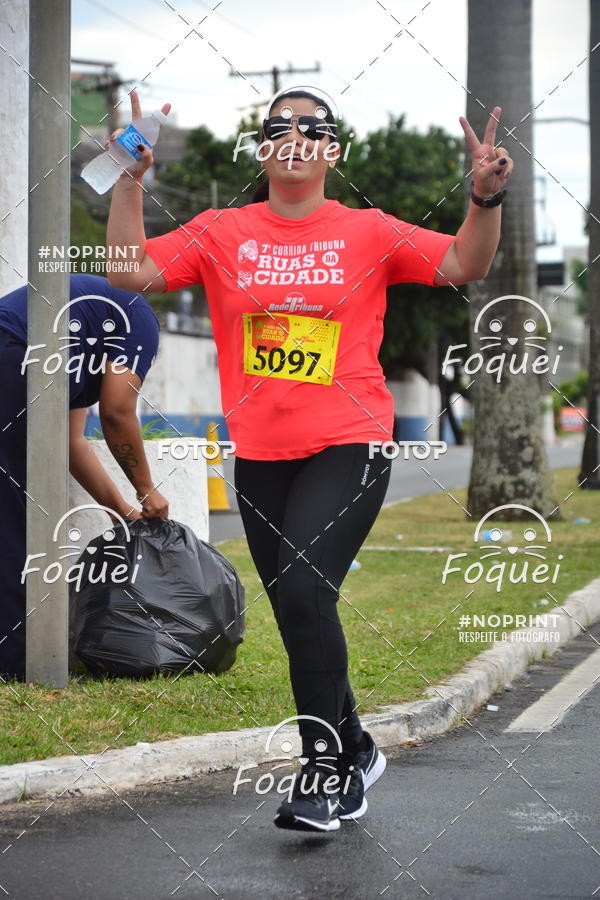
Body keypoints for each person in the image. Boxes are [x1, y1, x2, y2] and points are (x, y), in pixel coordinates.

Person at [105, 87, 513, 832]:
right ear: (262, 149)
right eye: (278, 127)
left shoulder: (368, 231)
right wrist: (131, 182)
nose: (294, 136)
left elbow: (462, 262)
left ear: (333, 150)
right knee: (300, 611)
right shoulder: (222, 230)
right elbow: (131, 272)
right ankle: (354, 742)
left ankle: (326, 772)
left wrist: (485, 199)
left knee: (300, 591)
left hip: (349, 441)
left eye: (313, 127)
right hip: (258, 454)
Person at [0, 274, 169, 682]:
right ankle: (13, 664)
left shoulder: (86, 328)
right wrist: (147, 489)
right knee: (11, 523)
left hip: (14, 353)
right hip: (9, 357)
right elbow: (117, 411)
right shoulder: (137, 316)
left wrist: (122, 510)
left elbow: (70, 441)